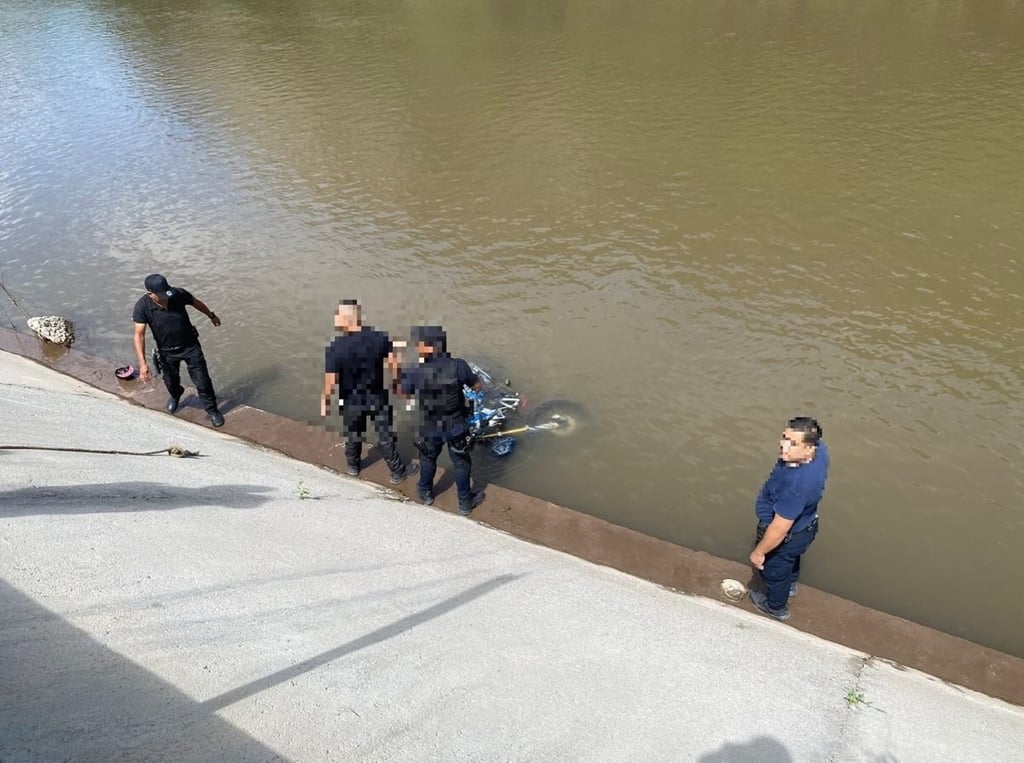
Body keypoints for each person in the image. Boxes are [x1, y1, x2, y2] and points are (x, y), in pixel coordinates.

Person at [321, 300, 412, 484]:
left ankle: (353, 467)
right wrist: (396, 383)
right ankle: (397, 472)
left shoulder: (335, 347)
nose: (335, 320)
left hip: (350, 402)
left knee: (353, 434)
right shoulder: (379, 337)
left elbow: (331, 380)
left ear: (347, 318)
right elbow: (394, 362)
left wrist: (326, 401)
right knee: (384, 435)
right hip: (376, 397)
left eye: (337, 316)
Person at [398, 325, 485, 516]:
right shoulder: (458, 366)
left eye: (420, 345)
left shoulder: (415, 371)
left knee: (428, 458)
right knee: (461, 463)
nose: (417, 348)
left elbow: (403, 394)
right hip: (456, 425)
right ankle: (464, 503)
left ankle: (426, 493)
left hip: (430, 426)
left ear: (431, 347)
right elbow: (477, 386)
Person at [748, 416, 829, 621]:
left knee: (774, 569)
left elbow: (779, 528)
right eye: (784, 438)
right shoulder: (820, 451)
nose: (784, 446)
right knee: (790, 560)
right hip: (806, 526)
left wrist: (759, 552)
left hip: (788, 535)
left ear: (809, 449)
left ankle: (776, 607)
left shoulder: (797, 487)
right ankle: (790, 585)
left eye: (793, 444)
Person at [133, 274, 224, 427]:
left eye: (167, 293)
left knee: (203, 382)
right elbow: (139, 335)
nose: (166, 298)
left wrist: (211, 315)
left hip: (190, 346)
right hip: (167, 352)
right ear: (150, 294)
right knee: (170, 382)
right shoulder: (142, 307)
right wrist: (143, 364)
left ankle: (212, 410)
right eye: (161, 295)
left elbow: (196, 303)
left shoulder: (178, 294)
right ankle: (176, 395)